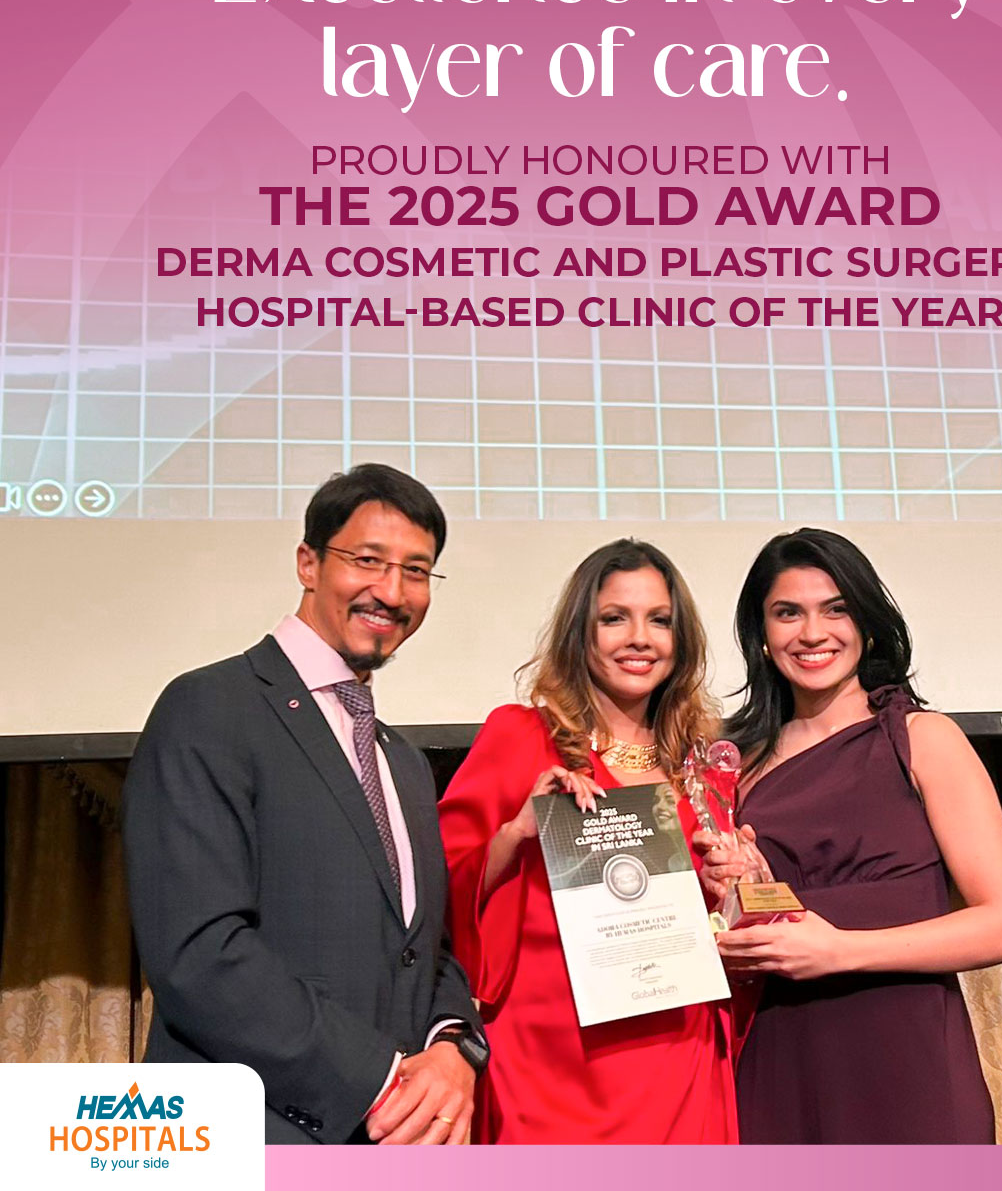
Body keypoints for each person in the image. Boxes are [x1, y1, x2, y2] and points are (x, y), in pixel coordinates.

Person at [122, 464, 488, 1145]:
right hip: (249, 1139)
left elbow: (425, 949)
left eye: (416, 571)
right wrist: (380, 1079)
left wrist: (453, 1047)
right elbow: (200, 954)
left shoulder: (404, 762)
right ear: (308, 563)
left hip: (398, 1143)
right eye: (368, 560)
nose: (392, 592)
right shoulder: (210, 708)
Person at [699, 528, 1002, 1144]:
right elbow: (739, 936)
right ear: (761, 635)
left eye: (836, 609)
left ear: (868, 624)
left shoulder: (922, 739)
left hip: (908, 1060)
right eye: (788, 613)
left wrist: (841, 951)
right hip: (778, 1056)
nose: (812, 633)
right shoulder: (732, 767)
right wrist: (736, 900)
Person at [438, 539, 738, 1143]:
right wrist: (515, 834)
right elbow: (436, 887)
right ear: (581, 633)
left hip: (677, 1055)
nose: (640, 639)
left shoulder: (703, 766)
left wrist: (726, 888)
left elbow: (717, 926)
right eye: (614, 619)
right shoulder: (520, 737)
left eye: (660, 620)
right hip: (547, 1065)